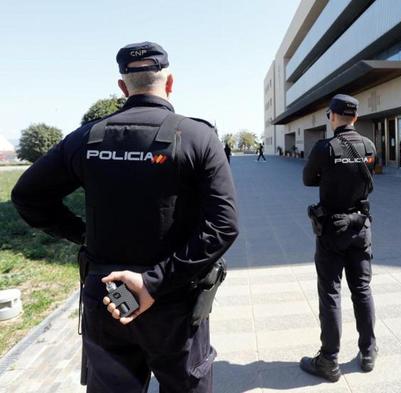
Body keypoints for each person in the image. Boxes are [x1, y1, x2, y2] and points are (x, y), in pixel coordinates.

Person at [11, 41, 238, 393]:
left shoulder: (88, 137)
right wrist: (153, 283)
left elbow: (27, 196)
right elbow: (223, 225)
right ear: (170, 82)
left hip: (110, 295)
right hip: (173, 300)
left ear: (122, 86)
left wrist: (81, 234)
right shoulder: (197, 137)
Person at [300, 94, 377, 382]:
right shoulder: (369, 146)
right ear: (355, 117)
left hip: (332, 229)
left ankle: (329, 359)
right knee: (362, 289)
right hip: (360, 226)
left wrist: (329, 176)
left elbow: (308, 179)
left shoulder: (324, 148)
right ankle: (368, 351)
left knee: (330, 293)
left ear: (331, 116)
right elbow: (369, 176)